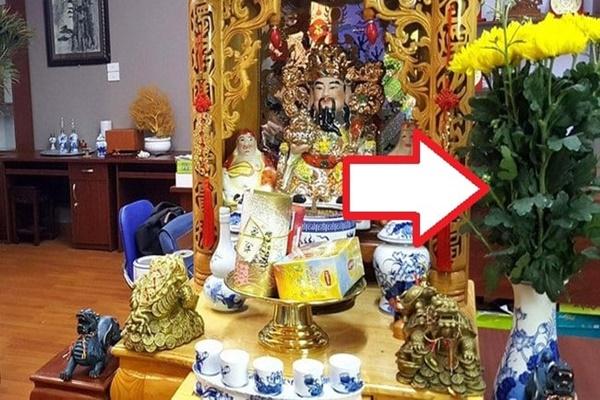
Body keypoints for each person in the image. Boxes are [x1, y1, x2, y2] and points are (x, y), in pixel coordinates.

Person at [223, 130, 276, 207]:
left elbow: (270, 174)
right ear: (237, 144)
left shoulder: (262, 158)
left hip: (256, 194)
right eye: (242, 140)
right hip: (234, 194)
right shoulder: (232, 158)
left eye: (250, 139)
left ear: (255, 143)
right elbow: (223, 171)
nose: (246, 145)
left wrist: (265, 187)